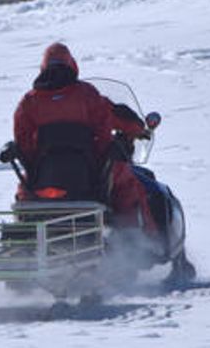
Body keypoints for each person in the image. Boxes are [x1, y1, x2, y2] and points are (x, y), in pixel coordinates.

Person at [9, 42, 158, 236]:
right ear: (72, 65)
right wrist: (129, 134)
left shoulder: (29, 101)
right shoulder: (86, 95)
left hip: (43, 180)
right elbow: (106, 127)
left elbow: (22, 140)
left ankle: (24, 232)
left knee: (25, 188)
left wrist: (34, 162)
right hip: (87, 177)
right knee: (128, 184)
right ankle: (142, 241)